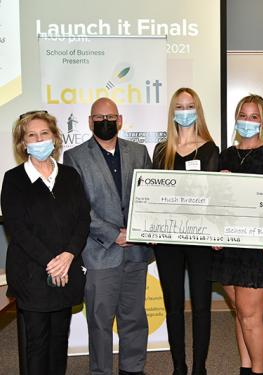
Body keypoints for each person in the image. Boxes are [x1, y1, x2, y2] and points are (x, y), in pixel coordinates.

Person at [64, 97, 153, 375]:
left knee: (134, 317)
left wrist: (139, 230)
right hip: (101, 252)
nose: (106, 122)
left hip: (136, 252)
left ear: (120, 120)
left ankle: (132, 369)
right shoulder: (75, 157)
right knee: (100, 322)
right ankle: (101, 371)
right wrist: (114, 234)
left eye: (110, 117)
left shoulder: (139, 152)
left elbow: (149, 197)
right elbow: (80, 209)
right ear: (90, 122)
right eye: (99, 118)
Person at [1, 110, 90, 375]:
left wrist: (68, 256)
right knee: (37, 345)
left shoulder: (70, 175)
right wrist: (52, 262)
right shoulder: (14, 179)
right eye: (32, 135)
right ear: (23, 143)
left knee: (59, 340)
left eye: (44, 133)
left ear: (54, 137)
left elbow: (83, 220)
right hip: (33, 275)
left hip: (67, 270)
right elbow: (18, 229)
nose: (39, 139)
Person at [211, 94, 263, 375]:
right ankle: (246, 367)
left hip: (260, 250)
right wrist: (216, 233)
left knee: (250, 315)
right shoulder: (227, 155)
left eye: (254, 116)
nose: (248, 121)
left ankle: (259, 371)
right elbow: (217, 201)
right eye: (243, 115)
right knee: (241, 313)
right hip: (230, 248)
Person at [152, 88, 219, 375]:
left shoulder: (210, 149)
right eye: (179, 106)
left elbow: (215, 196)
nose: (184, 110)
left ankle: (199, 368)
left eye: (189, 105)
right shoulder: (160, 149)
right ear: (172, 112)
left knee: (202, 306)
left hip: (200, 238)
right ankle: (179, 366)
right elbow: (151, 194)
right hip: (167, 239)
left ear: (198, 109)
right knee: (173, 306)